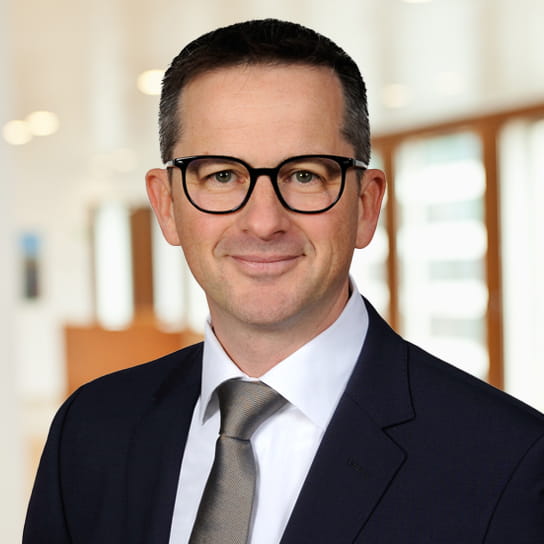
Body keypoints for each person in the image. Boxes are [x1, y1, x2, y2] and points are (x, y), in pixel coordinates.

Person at [24, 19, 544, 544]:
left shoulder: (512, 463)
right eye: (222, 175)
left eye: (304, 175)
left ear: (366, 206)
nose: (263, 222)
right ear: (166, 205)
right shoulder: (89, 430)